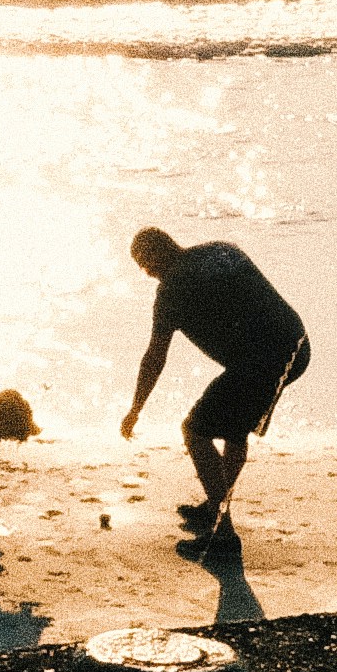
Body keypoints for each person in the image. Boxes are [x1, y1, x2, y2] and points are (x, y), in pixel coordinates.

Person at [120, 222, 308, 555]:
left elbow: (155, 356)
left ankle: (223, 536)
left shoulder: (172, 289)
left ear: (157, 257)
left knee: (195, 430)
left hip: (262, 362)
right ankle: (215, 507)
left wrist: (135, 409)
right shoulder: (222, 250)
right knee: (234, 431)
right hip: (296, 344)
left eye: (146, 267)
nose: (149, 275)